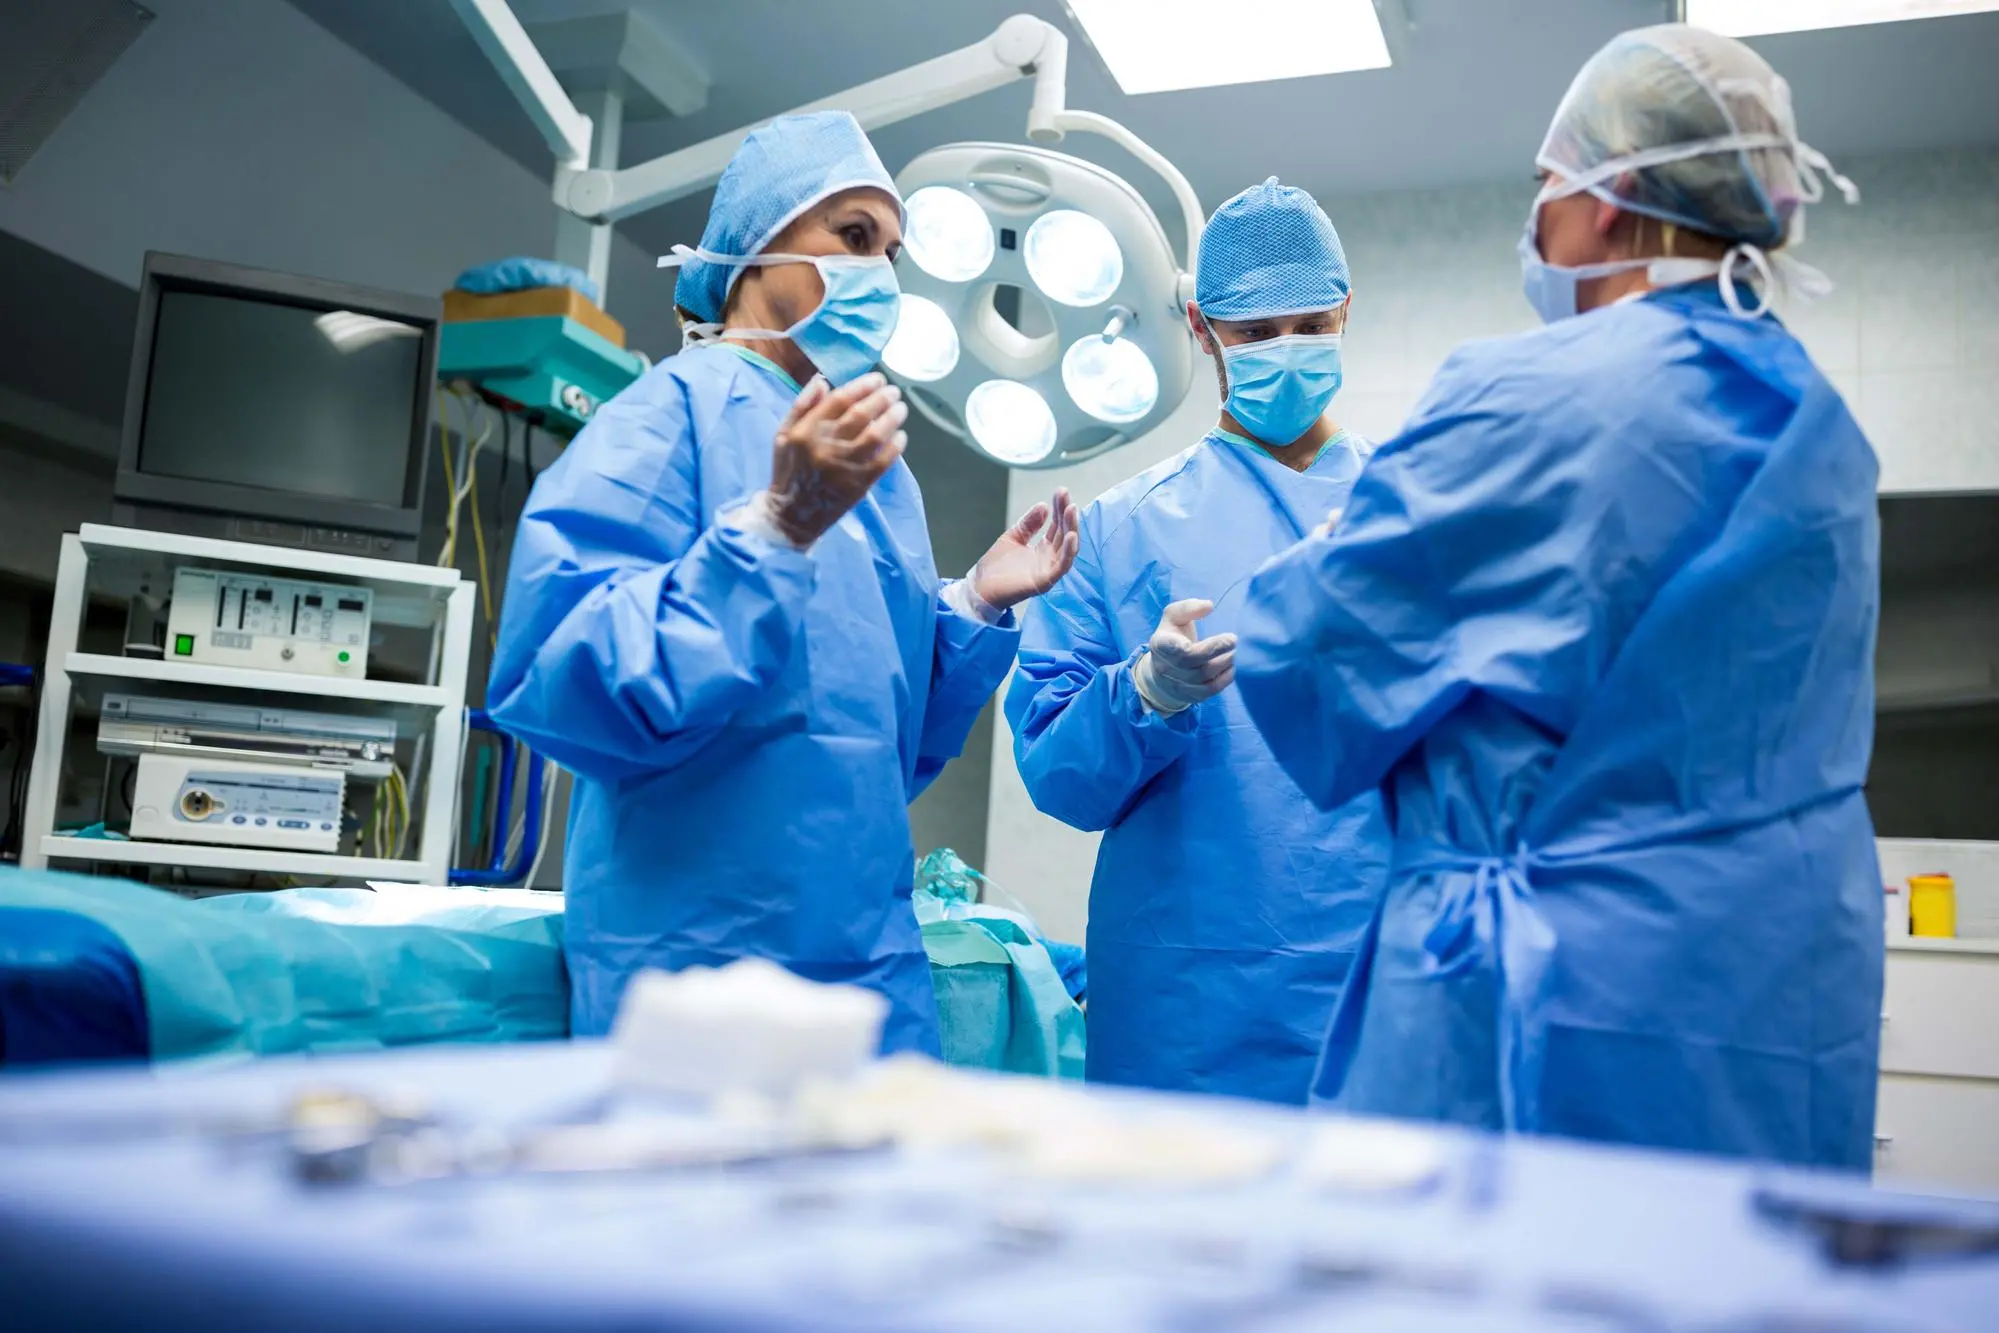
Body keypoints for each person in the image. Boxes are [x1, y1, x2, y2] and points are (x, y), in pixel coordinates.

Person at [1234, 25, 1881, 1168]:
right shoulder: (1822, 424)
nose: (1535, 221)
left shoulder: (1526, 394)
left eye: (1547, 186)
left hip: (1555, 989)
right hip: (1771, 974)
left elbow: (1308, 660)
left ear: (1613, 197)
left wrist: (1337, 545)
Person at [488, 111, 1079, 1050]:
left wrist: (972, 605)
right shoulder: (662, 417)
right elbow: (566, 686)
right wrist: (771, 530)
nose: (878, 274)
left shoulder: (879, 480)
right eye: (851, 237)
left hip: (866, 964)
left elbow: (876, 741)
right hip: (692, 964)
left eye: (890, 252)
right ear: (758, 249)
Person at [1005, 179, 1389, 1105]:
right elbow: (1060, 780)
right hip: (1184, 1005)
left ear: (1346, 309)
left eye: (1307, 324)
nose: (1283, 352)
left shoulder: (1410, 518)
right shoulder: (1119, 528)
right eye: (1254, 335)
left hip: (1375, 979)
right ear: (1201, 328)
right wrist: (1142, 695)